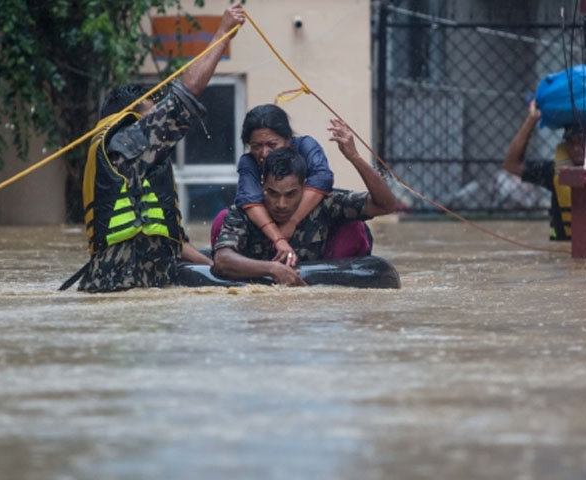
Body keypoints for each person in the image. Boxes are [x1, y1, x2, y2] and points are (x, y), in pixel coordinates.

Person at [62, 4, 245, 292]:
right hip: (123, 289)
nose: (158, 117)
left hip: (143, 286)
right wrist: (222, 33)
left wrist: (216, 268)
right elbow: (184, 99)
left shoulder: (132, 158)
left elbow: (172, 242)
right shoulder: (124, 144)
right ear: (132, 115)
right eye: (153, 112)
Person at [212, 119, 398, 286]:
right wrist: (272, 269)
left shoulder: (324, 202)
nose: (281, 204)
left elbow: (386, 205)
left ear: (304, 186)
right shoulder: (245, 212)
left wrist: (355, 157)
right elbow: (222, 260)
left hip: (324, 284)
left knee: (354, 226)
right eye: (273, 194)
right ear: (262, 187)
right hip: (262, 282)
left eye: (291, 194)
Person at [209, 104, 372, 267]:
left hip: (307, 220)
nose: (264, 153)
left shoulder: (306, 146)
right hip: (271, 228)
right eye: (256, 146)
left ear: (288, 141)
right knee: (222, 219)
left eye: (272, 145)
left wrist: (292, 222)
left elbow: (323, 179)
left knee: (354, 224)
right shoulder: (249, 161)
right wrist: (278, 238)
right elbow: (249, 199)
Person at [503, 99, 586, 241]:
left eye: (581, 141)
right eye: (571, 142)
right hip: (562, 252)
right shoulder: (553, 172)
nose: (576, 148)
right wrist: (531, 121)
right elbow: (511, 164)